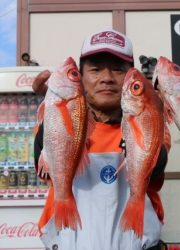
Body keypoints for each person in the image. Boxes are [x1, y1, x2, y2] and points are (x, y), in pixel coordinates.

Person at [33, 28, 168, 250]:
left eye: (117, 70)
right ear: (82, 79)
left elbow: (157, 166)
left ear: (130, 77)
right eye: (95, 70)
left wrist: (153, 110)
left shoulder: (145, 125)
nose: (106, 78)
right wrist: (54, 108)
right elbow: (43, 167)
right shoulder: (56, 127)